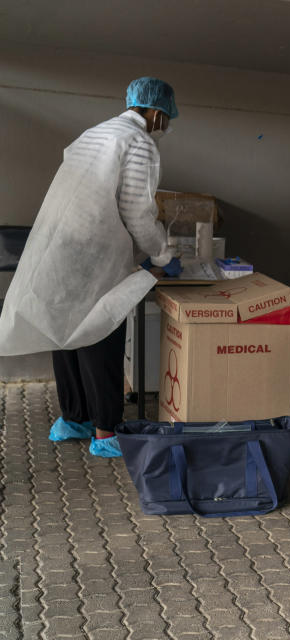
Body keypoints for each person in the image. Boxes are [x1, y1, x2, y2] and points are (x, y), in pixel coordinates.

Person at [0, 77, 182, 458]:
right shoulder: (139, 143)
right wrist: (163, 255)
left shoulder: (94, 134)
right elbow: (137, 211)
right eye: (165, 118)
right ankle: (106, 431)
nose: (165, 126)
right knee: (101, 332)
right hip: (93, 250)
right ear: (153, 112)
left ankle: (74, 419)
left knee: (66, 330)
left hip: (59, 244)